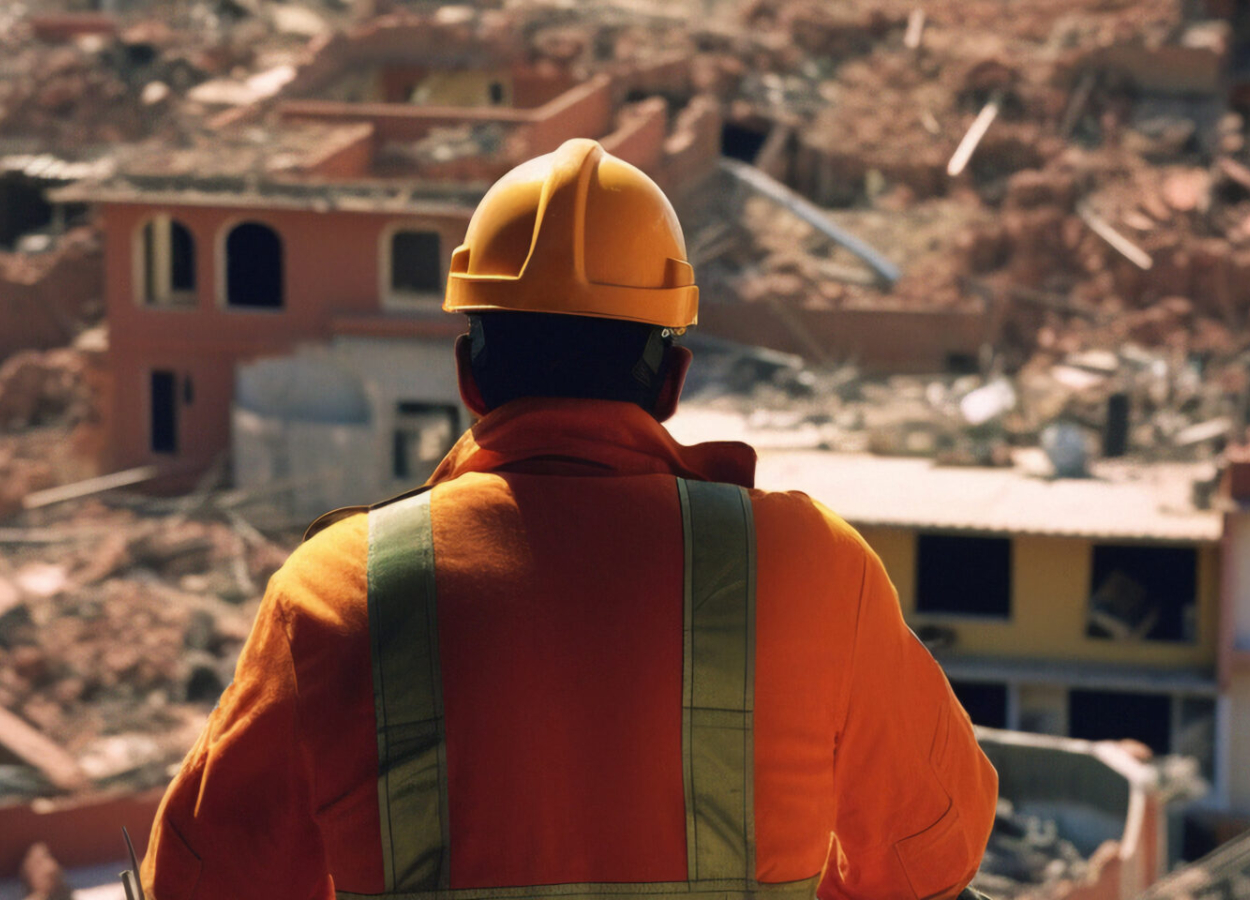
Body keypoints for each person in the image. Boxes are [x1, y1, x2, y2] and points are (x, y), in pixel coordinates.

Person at [141, 139, 999, 900]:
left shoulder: (335, 594)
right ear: (672, 382)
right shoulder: (809, 568)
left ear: (469, 376)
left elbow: (204, 882)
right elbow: (933, 855)